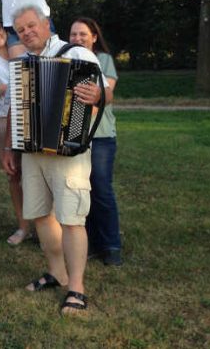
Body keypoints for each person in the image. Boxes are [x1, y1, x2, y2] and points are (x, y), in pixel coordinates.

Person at [2, 5, 112, 316]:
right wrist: (11, 147)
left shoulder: (78, 55)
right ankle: (56, 272)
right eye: (21, 29)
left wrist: (97, 96)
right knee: (40, 215)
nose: (27, 32)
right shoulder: (23, 64)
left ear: (46, 24)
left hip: (69, 152)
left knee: (72, 220)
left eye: (31, 26)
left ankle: (76, 288)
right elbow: (16, 107)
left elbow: (106, 93)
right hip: (33, 151)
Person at [69, 17, 122, 266]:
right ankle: (90, 243)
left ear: (93, 37)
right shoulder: (67, 61)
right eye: (73, 35)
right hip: (75, 137)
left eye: (82, 34)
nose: (77, 39)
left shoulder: (104, 60)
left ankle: (111, 245)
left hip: (100, 136)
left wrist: (96, 96)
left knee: (101, 190)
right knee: (82, 191)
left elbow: (107, 95)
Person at [0, 13, 33, 246]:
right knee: (13, 174)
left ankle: (42, 223)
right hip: (1, 120)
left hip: (27, 116)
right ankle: (23, 226)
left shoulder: (21, 50)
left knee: (34, 173)